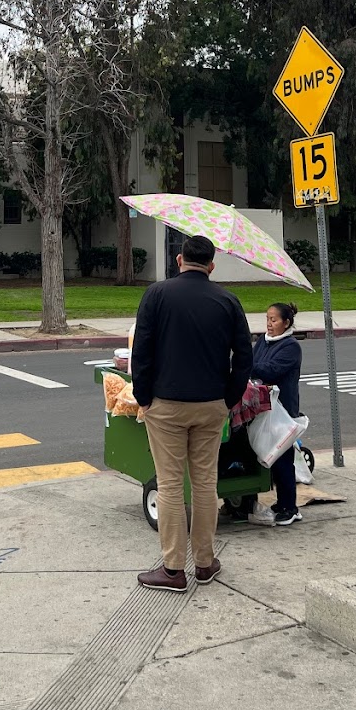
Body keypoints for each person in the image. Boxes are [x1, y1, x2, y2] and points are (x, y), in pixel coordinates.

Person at [131, 233, 253, 591]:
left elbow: (142, 350)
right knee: (204, 483)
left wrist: (143, 396)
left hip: (165, 404)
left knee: (169, 484)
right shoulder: (228, 301)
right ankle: (204, 562)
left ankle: (172, 569)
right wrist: (229, 398)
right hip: (211, 404)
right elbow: (244, 357)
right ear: (211, 266)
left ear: (179, 260)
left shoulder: (156, 295)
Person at [251, 302, 304, 525]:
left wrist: (243, 364)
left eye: (274, 320)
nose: (269, 324)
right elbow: (255, 363)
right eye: (267, 319)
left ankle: (290, 507)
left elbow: (270, 370)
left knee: (282, 458)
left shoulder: (291, 347)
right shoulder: (264, 341)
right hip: (262, 406)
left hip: (282, 410)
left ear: (287, 323)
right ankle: (278, 502)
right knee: (265, 455)